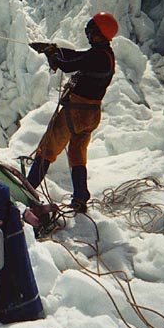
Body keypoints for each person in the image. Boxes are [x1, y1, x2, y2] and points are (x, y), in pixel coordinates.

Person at [27, 12, 118, 213]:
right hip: (91, 115)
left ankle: (27, 190)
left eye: (91, 32)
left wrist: (53, 56)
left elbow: (68, 65)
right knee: (77, 155)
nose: (89, 35)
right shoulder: (105, 55)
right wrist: (55, 49)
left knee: (47, 150)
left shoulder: (97, 56)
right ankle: (79, 197)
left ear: (98, 33)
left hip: (76, 112)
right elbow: (79, 56)